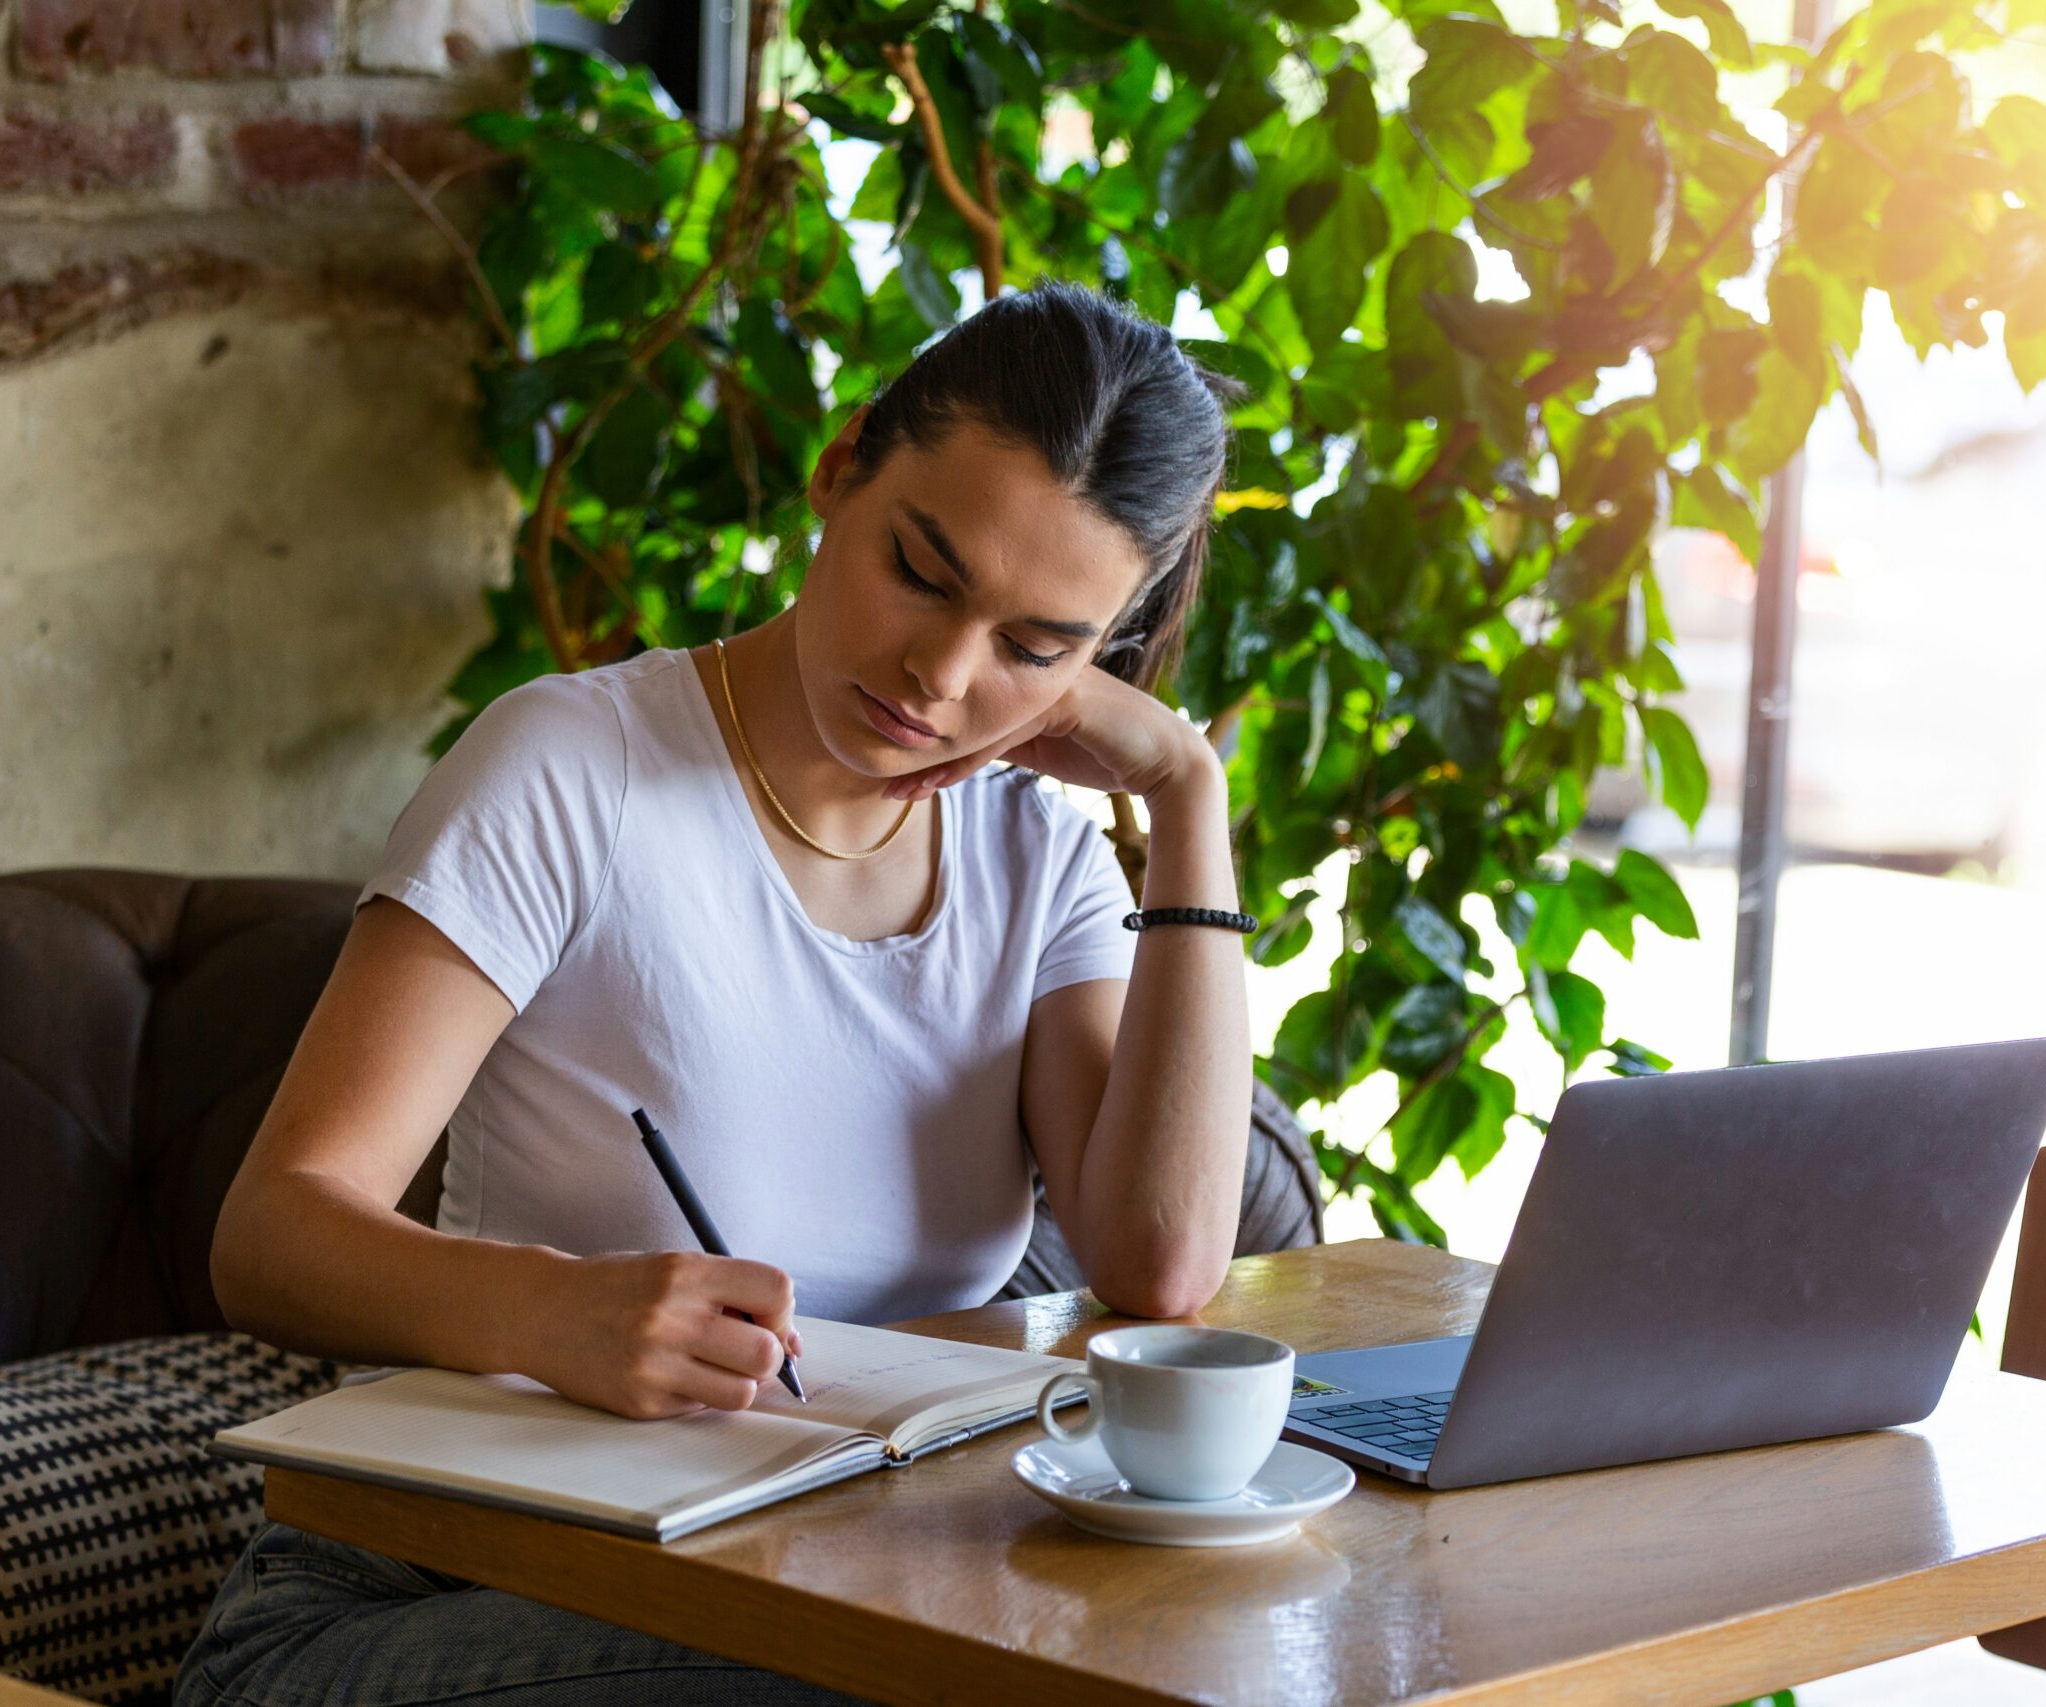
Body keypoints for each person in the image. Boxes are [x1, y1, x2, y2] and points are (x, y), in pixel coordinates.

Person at [174, 279, 1256, 1707]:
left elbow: (1161, 1268)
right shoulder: (574, 769)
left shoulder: (1036, 857)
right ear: (841, 469)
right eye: (921, 571)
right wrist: (553, 1314)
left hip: (818, 1578)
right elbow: (271, 1235)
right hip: (421, 1600)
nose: (941, 673)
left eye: (1034, 649)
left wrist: (1187, 799)